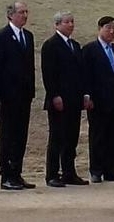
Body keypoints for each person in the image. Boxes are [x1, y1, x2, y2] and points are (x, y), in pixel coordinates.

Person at [0, 1, 36, 190]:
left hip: (24, 95)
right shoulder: (1, 37)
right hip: (8, 96)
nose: (25, 15)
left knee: (21, 135)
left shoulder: (28, 36)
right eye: (21, 12)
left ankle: (17, 172)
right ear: (11, 15)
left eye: (26, 11)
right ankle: (6, 175)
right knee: (7, 135)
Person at [40, 12, 89, 188]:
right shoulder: (50, 45)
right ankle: (52, 174)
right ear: (57, 24)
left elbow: (81, 72)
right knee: (57, 137)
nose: (70, 25)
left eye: (72, 21)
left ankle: (69, 172)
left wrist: (85, 94)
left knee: (71, 137)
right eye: (66, 22)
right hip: (59, 99)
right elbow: (48, 73)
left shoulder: (75, 45)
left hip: (74, 99)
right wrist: (54, 95)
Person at [82, 16, 114, 183]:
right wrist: (87, 96)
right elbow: (86, 75)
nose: (112, 31)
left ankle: (111, 171)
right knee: (98, 136)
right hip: (98, 100)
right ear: (100, 28)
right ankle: (96, 170)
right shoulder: (90, 49)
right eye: (108, 27)